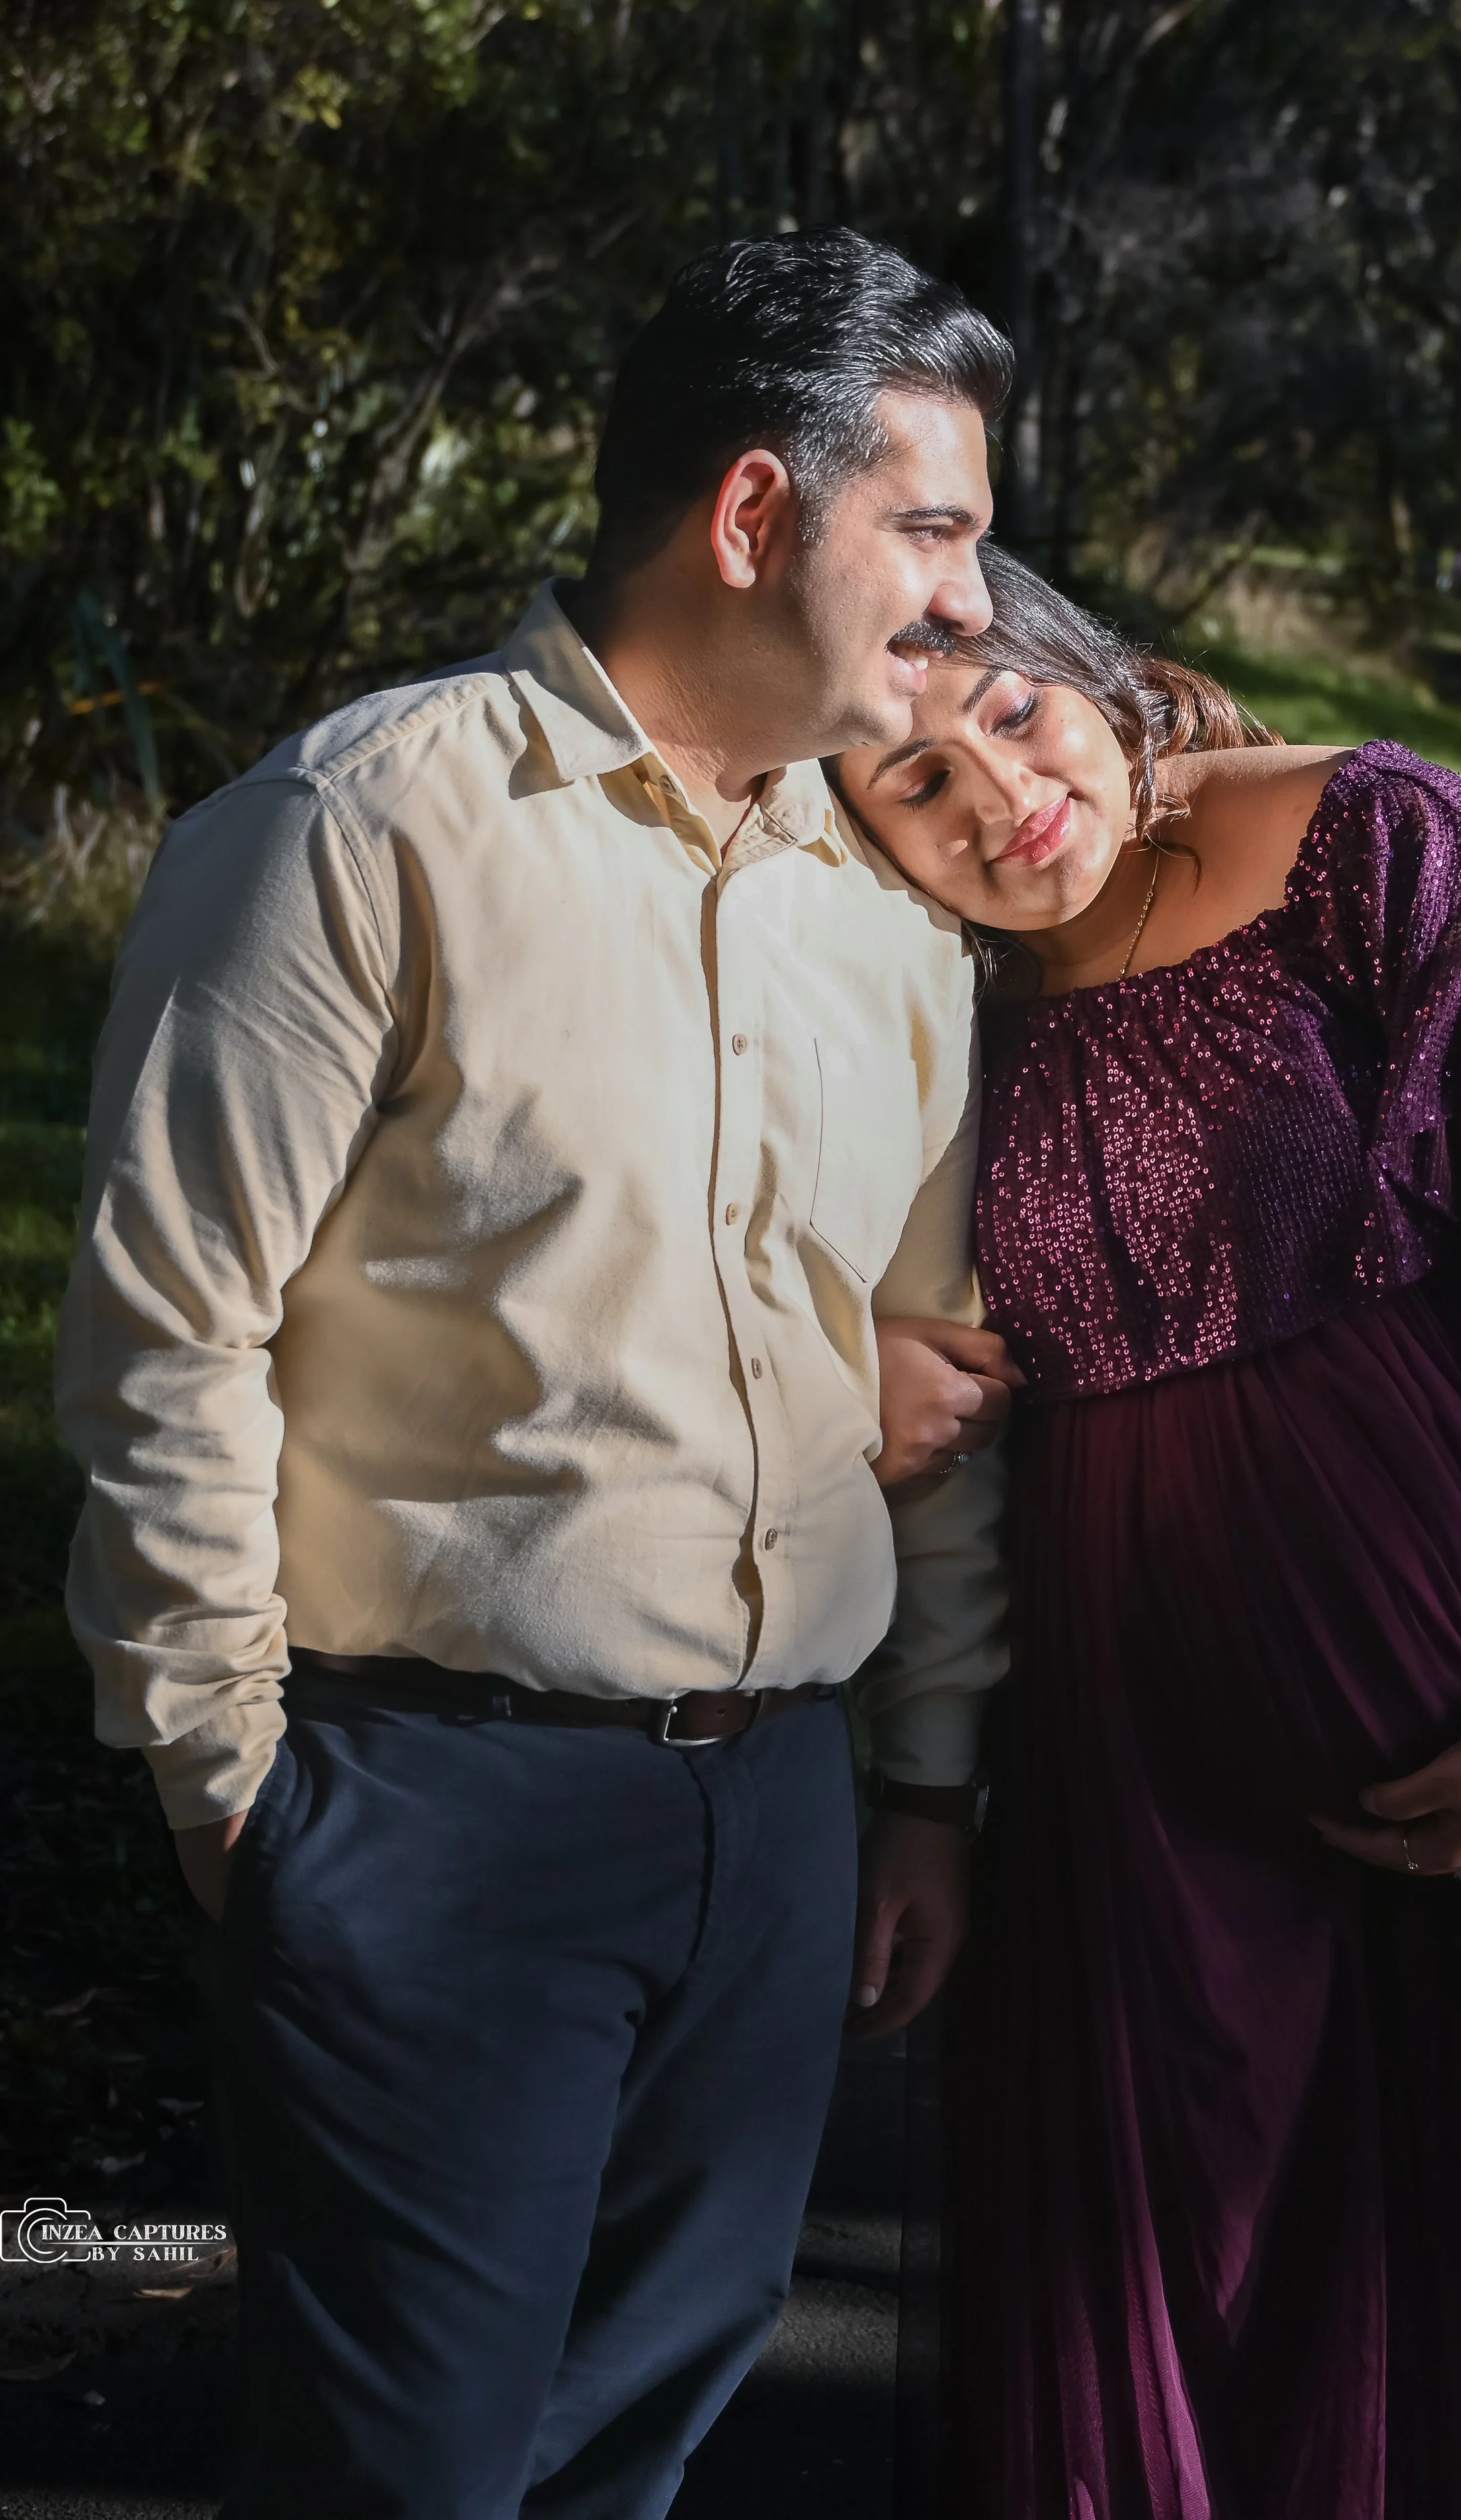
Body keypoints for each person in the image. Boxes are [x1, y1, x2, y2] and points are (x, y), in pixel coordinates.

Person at [54, 230, 1017, 2520]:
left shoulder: (887, 917)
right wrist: (229, 1788)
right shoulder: (352, 829)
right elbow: (164, 1327)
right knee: (412, 2472)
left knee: (645, 2435)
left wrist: (924, 1779)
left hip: (776, 1820)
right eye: (940, 527)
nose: (979, 599)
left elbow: (934, 1368)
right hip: (431, 1805)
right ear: (757, 517)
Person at [838, 544, 1461, 2517]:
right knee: (1195, 2319)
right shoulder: (925, 1005)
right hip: (1133, 1795)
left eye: (1014, 716)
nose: (1000, 802)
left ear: (1094, 677)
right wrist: (929, 1791)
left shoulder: (1374, 838)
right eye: (918, 789)